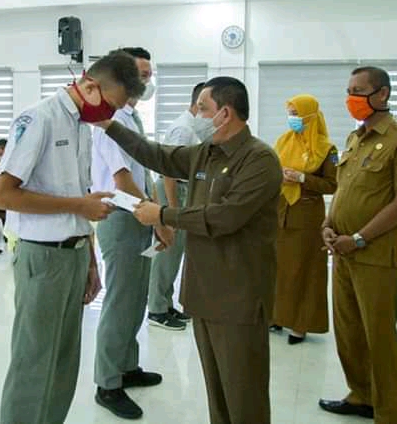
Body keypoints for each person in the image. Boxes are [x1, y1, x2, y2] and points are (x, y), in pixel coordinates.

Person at [94, 76, 283, 424]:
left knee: (244, 393)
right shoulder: (205, 154)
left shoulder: (259, 160)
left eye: (202, 108)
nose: (195, 114)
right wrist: (107, 123)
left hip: (239, 295)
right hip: (204, 291)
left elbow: (225, 217)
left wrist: (163, 214)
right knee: (218, 389)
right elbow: (156, 155)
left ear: (224, 114)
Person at [0, 50, 144, 424]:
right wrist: (78, 206)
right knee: (34, 361)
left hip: (74, 253)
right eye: (110, 106)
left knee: (63, 361)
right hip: (42, 258)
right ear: (90, 86)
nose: (109, 117)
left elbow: (82, 196)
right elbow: (3, 195)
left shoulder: (81, 126)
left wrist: (89, 259)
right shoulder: (39, 118)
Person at [318, 66, 397, 424]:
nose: (352, 98)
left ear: (382, 94)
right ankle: (361, 395)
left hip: (374, 255)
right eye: (348, 90)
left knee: (378, 336)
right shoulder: (353, 138)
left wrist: (360, 238)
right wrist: (328, 226)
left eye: (359, 90)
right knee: (348, 332)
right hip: (342, 252)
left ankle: (388, 411)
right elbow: (345, 191)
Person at [92, 46, 171, 420]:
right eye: (140, 74)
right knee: (121, 301)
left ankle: (127, 367)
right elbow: (122, 179)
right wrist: (158, 218)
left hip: (139, 215)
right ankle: (107, 383)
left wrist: (155, 212)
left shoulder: (133, 120)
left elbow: (144, 173)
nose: (146, 81)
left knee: (136, 298)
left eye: (149, 73)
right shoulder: (110, 122)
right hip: (123, 218)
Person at [271, 94, 338, 345]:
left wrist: (302, 178)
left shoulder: (326, 149)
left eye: (296, 114)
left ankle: (300, 324)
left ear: (310, 116)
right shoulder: (283, 141)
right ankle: (276, 316)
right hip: (280, 211)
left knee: (303, 270)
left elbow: (333, 184)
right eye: (289, 113)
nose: (292, 119)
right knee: (278, 268)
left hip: (307, 215)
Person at [146, 81, 205, 331]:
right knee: (167, 252)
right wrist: (171, 211)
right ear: (199, 104)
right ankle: (156, 309)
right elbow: (168, 172)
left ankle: (165, 303)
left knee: (175, 253)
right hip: (173, 192)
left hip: (181, 191)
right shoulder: (182, 129)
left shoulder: (191, 126)